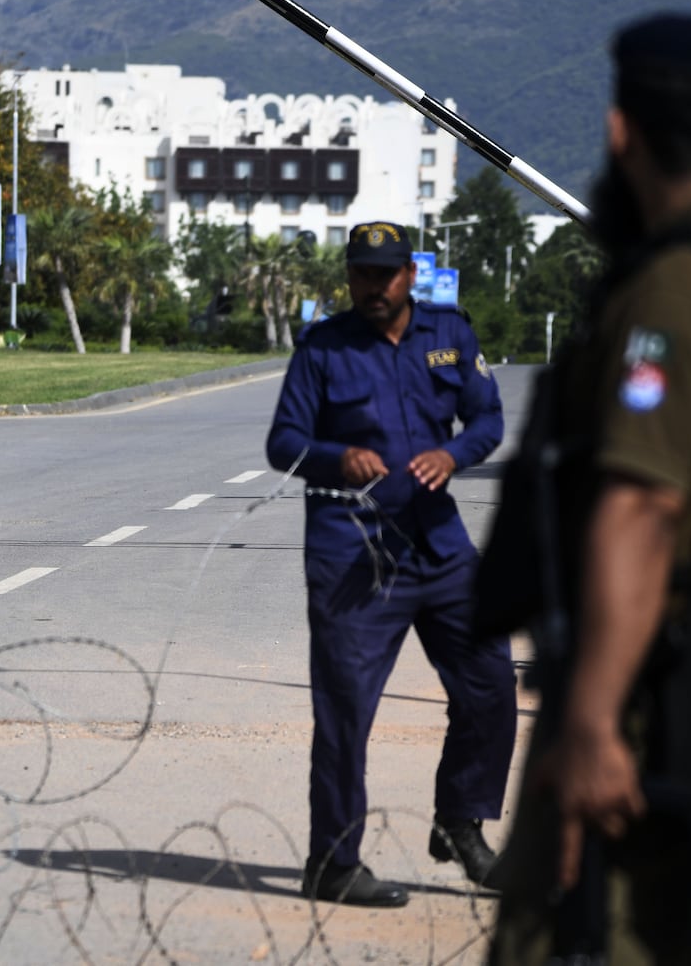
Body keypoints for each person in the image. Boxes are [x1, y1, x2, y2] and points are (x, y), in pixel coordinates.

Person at [488, 13, 691, 964]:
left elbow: (641, 504)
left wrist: (589, 721)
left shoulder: (671, 291)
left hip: (648, 706)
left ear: (621, 133)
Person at [266, 221, 517, 907]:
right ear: (349, 278)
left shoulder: (450, 336)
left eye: (385, 273)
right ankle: (334, 863)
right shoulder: (323, 347)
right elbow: (282, 440)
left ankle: (461, 823)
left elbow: (489, 420)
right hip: (355, 552)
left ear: (410, 274)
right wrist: (334, 457)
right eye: (361, 274)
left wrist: (454, 455)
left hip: (440, 547)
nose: (373, 286)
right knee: (346, 709)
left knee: (491, 685)